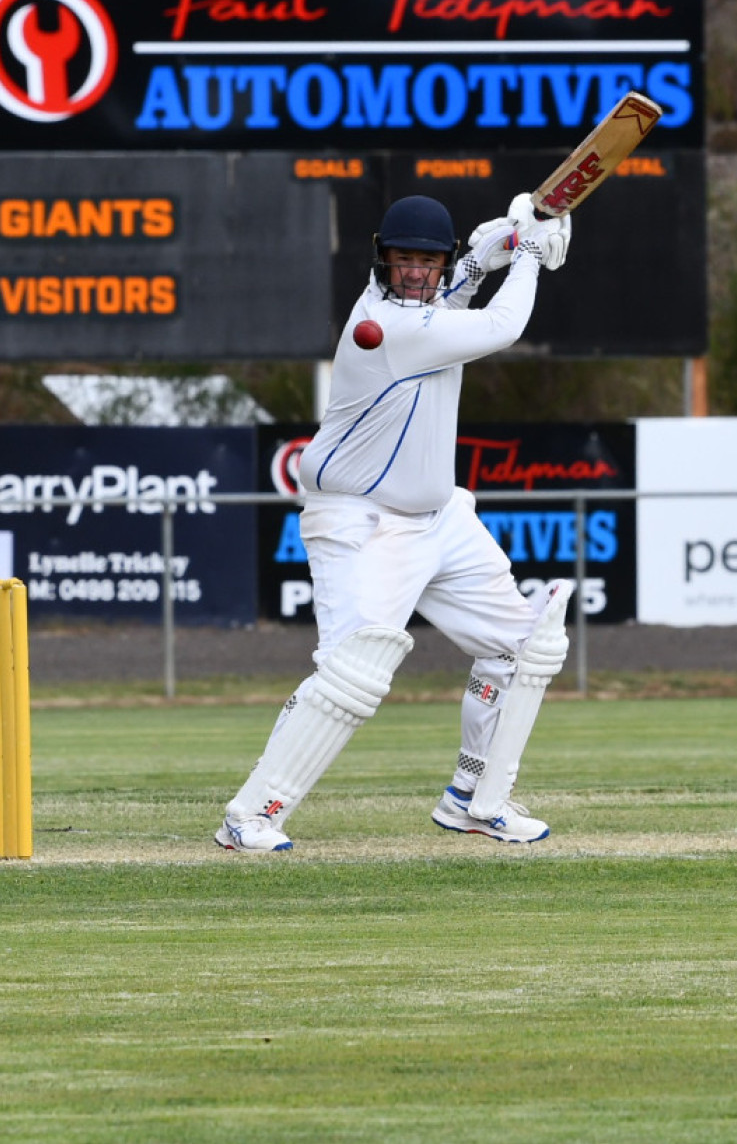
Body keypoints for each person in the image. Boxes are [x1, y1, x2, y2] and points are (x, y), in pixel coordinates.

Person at [216, 191, 574, 852]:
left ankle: (474, 798)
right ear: (382, 261)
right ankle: (250, 814)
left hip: (439, 518)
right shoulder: (381, 327)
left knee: (526, 645)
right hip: (362, 522)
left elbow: (463, 283)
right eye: (402, 260)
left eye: (426, 262)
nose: (414, 271)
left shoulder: (433, 303)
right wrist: (526, 254)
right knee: (353, 673)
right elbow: (502, 327)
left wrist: (497, 245)